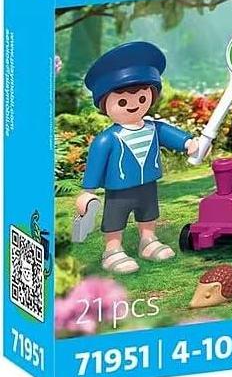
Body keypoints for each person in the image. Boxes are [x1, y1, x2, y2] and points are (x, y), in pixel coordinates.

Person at [72, 41, 200, 274]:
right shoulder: (107, 139)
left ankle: (148, 240)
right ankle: (112, 250)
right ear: (105, 104)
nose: (133, 105)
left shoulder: (153, 128)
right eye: (122, 101)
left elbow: (169, 134)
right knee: (115, 218)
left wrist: (187, 143)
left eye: (141, 98)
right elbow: (96, 164)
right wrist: (87, 191)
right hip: (119, 190)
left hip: (147, 184)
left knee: (148, 212)